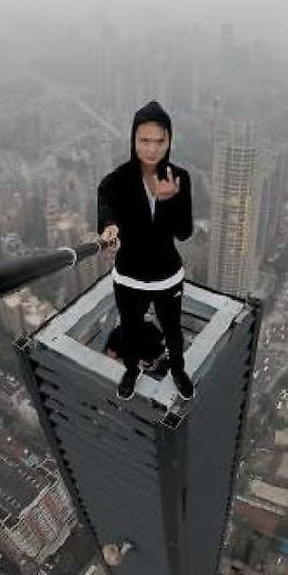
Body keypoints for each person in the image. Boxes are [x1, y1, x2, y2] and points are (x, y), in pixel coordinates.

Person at [97, 100, 194, 401]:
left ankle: (178, 370)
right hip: (129, 276)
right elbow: (106, 212)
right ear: (133, 140)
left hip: (167, 275)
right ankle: (131, 370)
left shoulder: (179, 177)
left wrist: (170, 200)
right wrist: (110, 227)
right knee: (130, 329)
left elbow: (184, 232)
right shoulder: (116, 181)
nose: (152, 149)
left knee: (172, 330)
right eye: (144, 140)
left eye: (159, 141)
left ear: (169, 141)